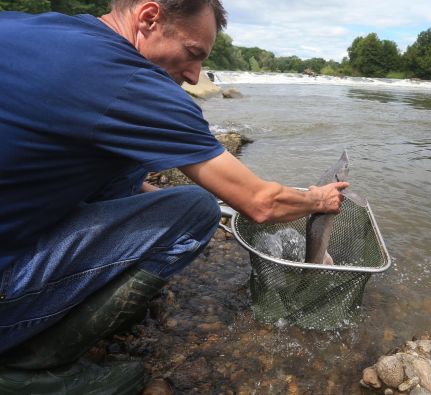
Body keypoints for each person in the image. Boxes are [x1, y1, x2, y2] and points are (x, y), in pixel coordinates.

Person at [0, 0, 348, 393]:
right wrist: (318, 202)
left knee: (126, 164)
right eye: (192, 53)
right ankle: (29, 370)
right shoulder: (125, 80)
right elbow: (261, 203)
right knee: (196, 207)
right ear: (149, 18)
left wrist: (143, 200)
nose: (194, 74)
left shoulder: (33, 29)